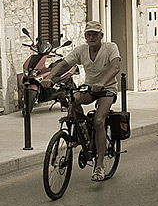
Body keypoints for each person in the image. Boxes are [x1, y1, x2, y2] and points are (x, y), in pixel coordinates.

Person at [41, 21, 121, 181]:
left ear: (101, 36)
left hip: (107, 89)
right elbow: (63, 64)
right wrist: (49, 77)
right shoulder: (81, 50)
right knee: (74, 99)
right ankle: (82, 130)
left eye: (94, 34)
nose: (91, 37)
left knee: (99, 120)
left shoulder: (110, 48)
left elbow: (115, 67)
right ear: (85, 36)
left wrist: (102, 83)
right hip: (89, 88)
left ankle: (99, 165)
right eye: (88, 34)